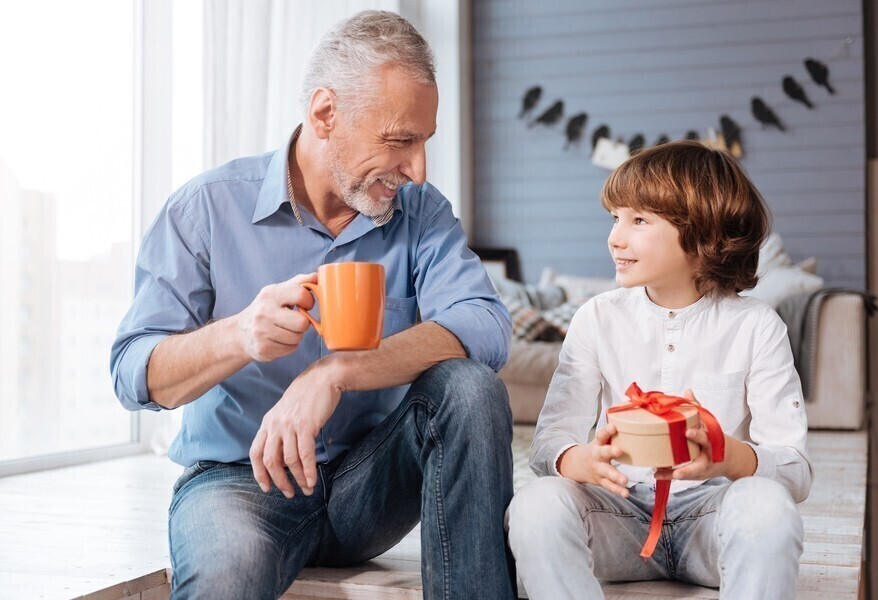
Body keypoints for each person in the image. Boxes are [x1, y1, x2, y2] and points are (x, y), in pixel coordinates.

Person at [110, 11, 516, 600]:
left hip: (368, 484)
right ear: (326, 114)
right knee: (225, 576)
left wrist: (337, 372)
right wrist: (238, 336)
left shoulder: (421, 212)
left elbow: (485, 324)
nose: (418, 169)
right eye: (401, 141)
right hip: (238, 482)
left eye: (424, 142)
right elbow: (134, 374)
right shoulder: (205, 209)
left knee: (471, 388)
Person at [506, 141, 813, 599]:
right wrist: (579, 460)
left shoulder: (756, 326)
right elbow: (549, 441)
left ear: (703, 234)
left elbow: (796, 470)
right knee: (534, 505)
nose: (616, 237)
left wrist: (729, 457)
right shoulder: (596, 317)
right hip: (619, 517)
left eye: (639, 220)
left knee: (768, 506)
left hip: (712, 519)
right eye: (615, 217)